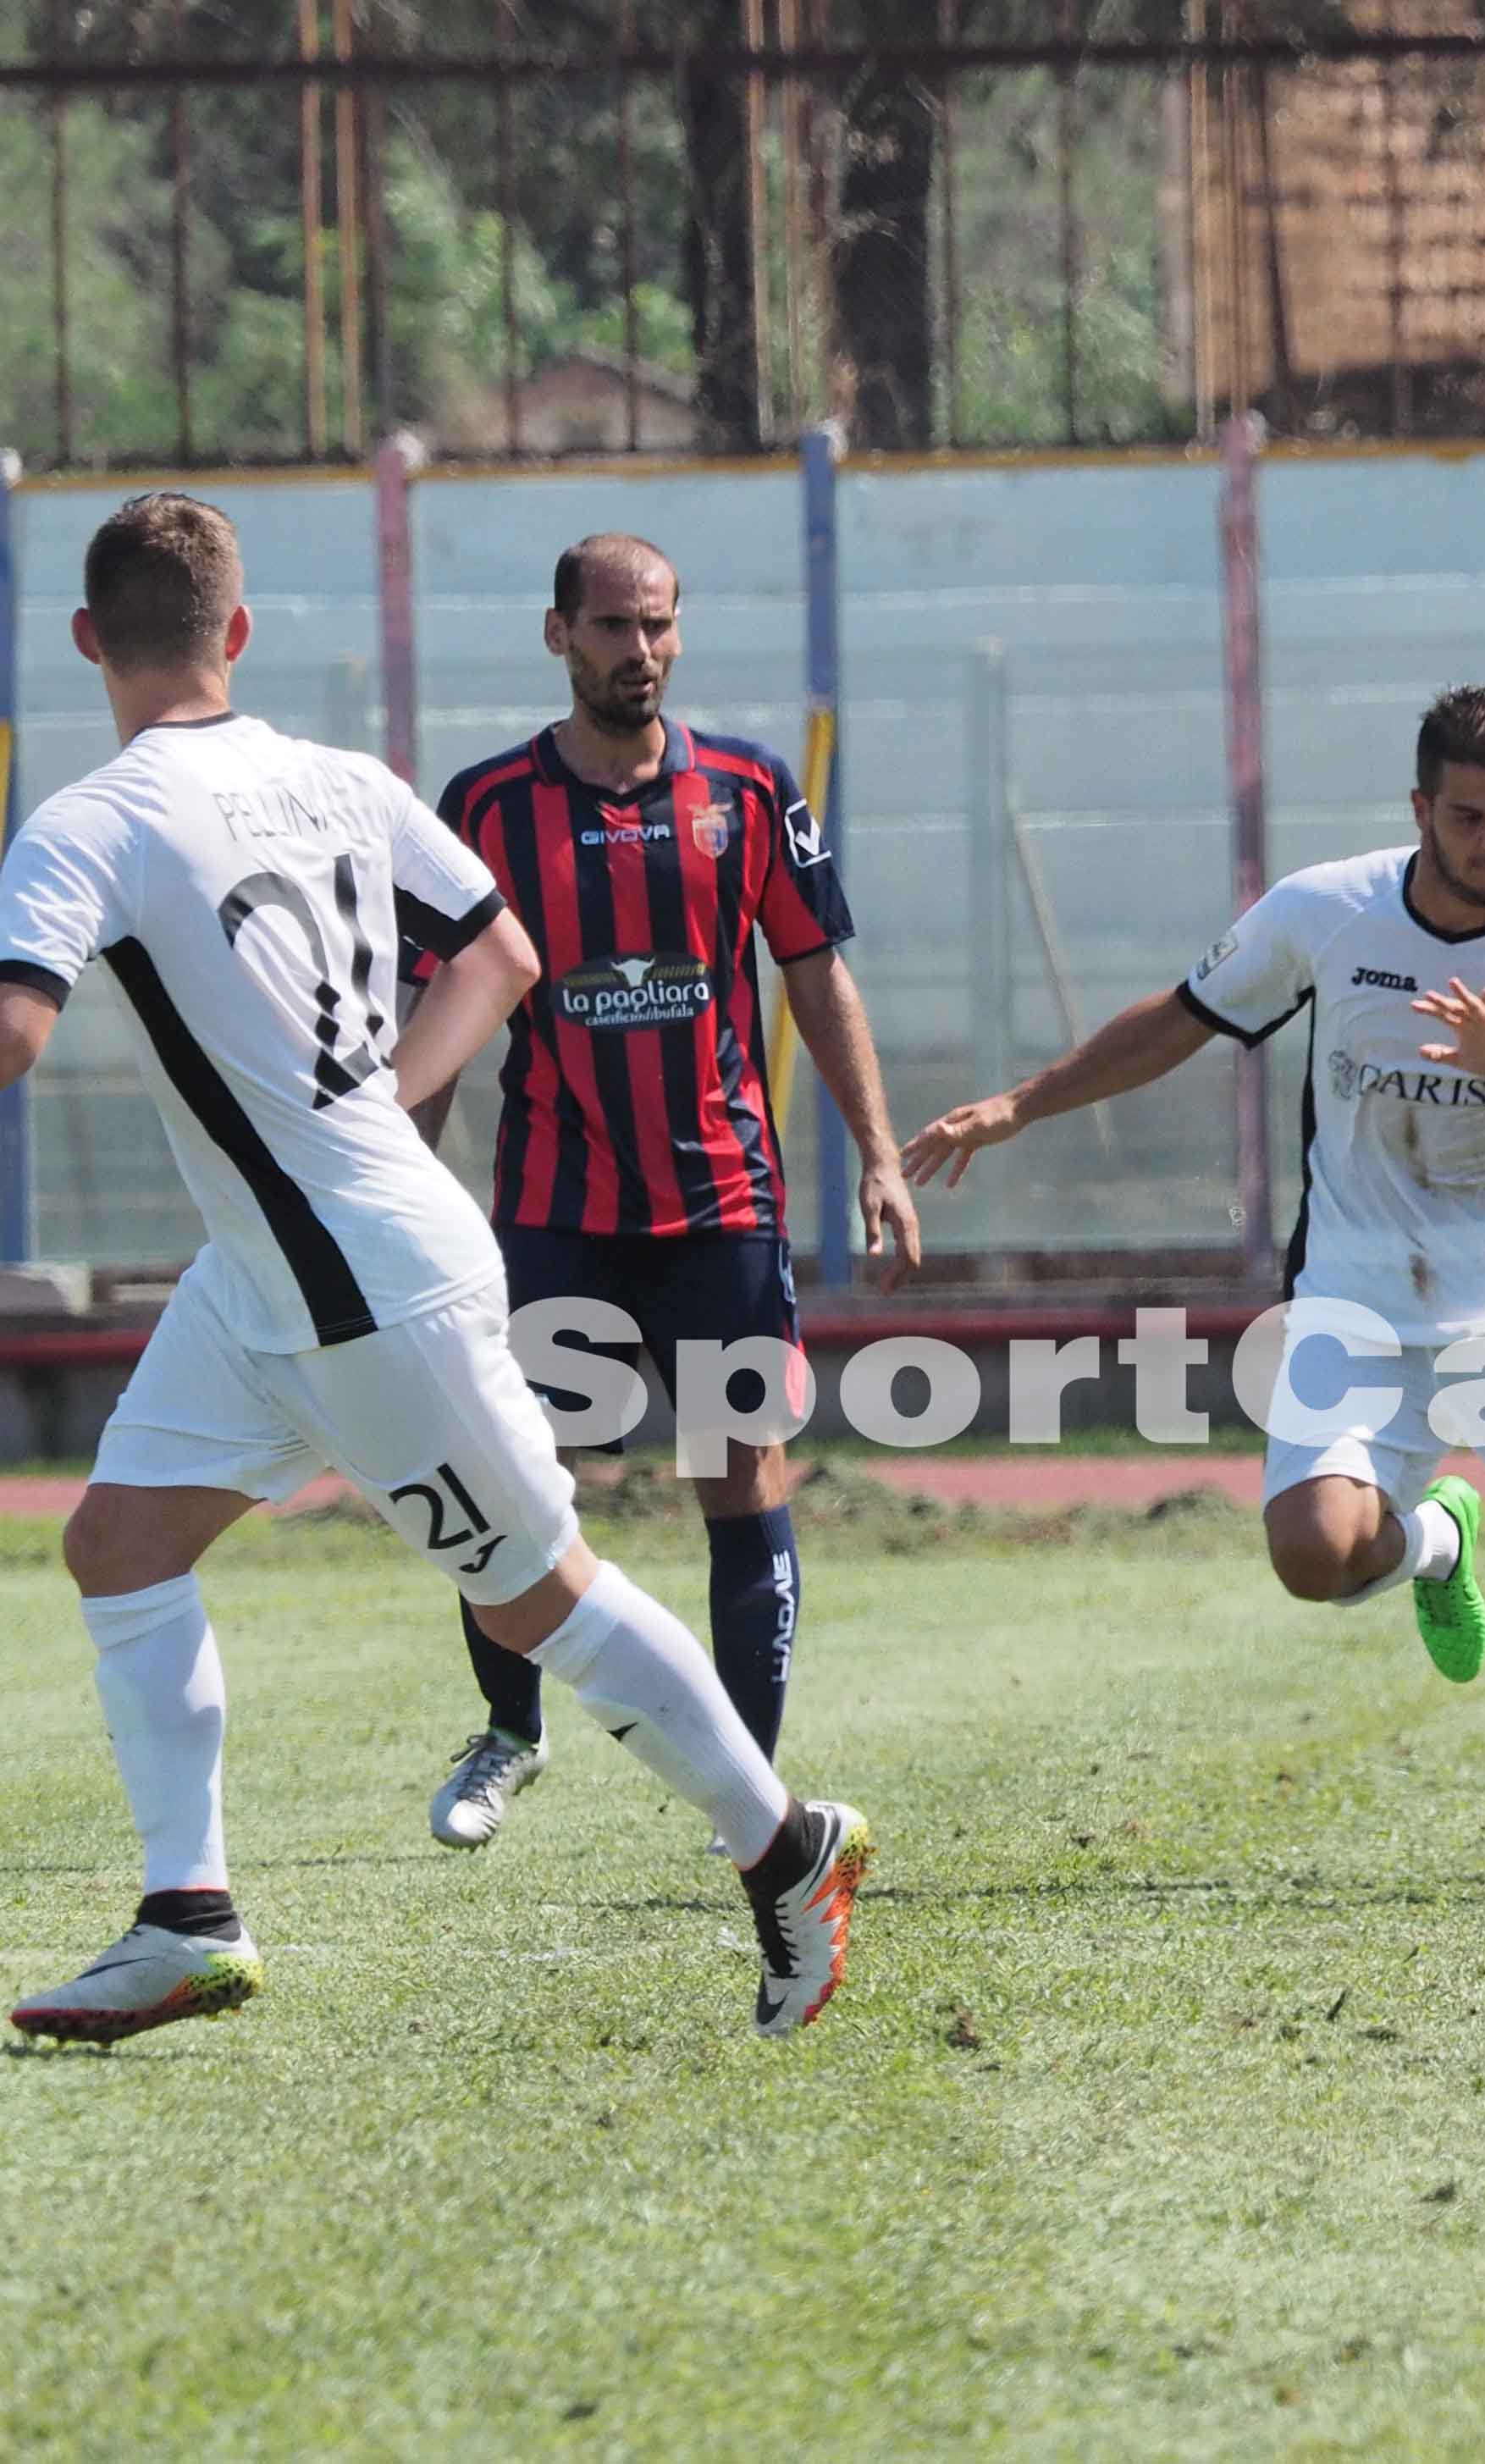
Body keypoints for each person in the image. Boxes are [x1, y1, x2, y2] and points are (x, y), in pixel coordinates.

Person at [0, 494, 869, 2046]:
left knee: (546, 1600)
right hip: (275, 1271)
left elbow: (15, 1029)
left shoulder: (92, 818)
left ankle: (786, 1844)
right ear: (239, 632)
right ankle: (186, 1914)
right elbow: (506, 955)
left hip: (362, 1289)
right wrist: (377, 1114)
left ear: (86, 641)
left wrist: (346, 1144)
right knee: (119, 1545)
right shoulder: (340, 778)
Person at [901, 683, 1485, 1885]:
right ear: (1420, 808)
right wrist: (1017, 1104)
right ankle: (1434, 1542)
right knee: (1313, 1557)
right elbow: (1184, 1015)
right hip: (1354, 1296)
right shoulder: (1331, 911)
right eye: (1469, 817)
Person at [414, 533, 919, 1853]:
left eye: (658, 626)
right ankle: (508, 1737)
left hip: (720, 1207)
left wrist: (875, 1148)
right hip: (551, 1207)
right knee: (504, 1483)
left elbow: (815, 971)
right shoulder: (482, 809)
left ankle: (747, 1787)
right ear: (557, 633)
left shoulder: (749, 790)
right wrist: (399, 1188)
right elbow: (442, 1013)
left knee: (740, 1481)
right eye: (611, 627)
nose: (638, 651)